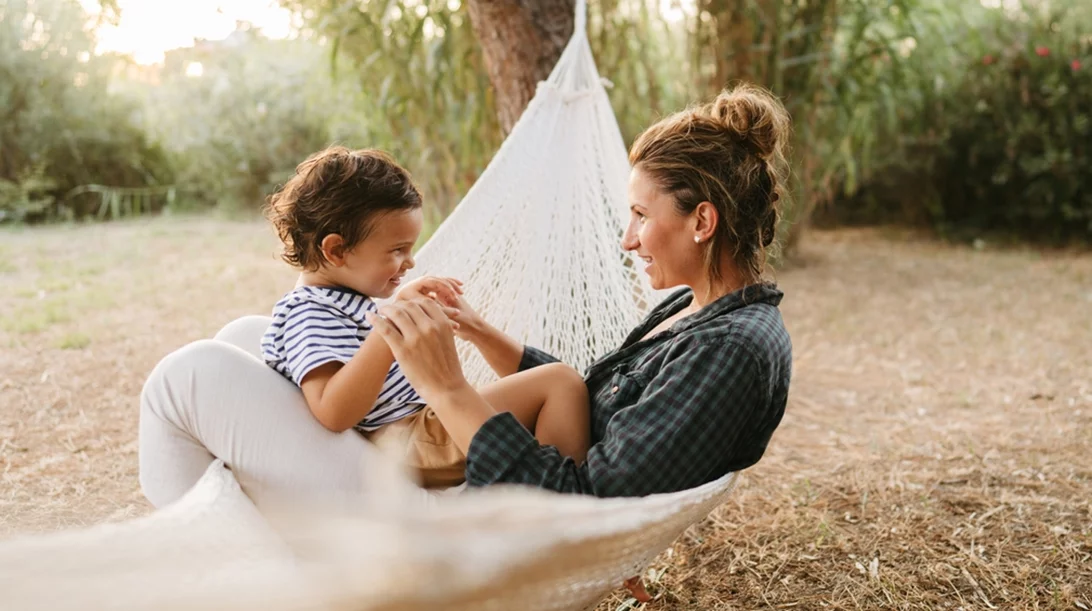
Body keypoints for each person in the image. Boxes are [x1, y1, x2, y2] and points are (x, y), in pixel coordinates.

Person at [138, 83, 792, 509]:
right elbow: (589, 403)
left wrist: (448, 388)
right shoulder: (698, 315)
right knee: (244, 339)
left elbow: (583, 497)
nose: (628, 239)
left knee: (189, 373)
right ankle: (233, 535)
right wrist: (476, 331)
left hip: (438, 497)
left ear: (702, 222)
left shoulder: (730, 351)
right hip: (403, 449)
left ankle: (216, 551)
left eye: (641, 215)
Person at [255, 146, 589, 489]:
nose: (410, 262)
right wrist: (390, 328)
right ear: (337, 250)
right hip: (408, 440)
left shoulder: (343, 301)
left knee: (552, 389)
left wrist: (399, 308)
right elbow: (332, 410)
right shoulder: (308, 312)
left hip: (425, 428)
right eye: (397, 250)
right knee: (559, 383)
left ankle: (543, 498)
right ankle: (557, 507)